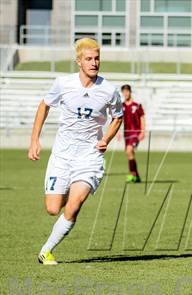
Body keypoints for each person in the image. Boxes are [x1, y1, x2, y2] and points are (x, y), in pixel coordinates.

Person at [28, 38, 123, 265]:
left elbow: (118, 117)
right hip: (62, 155)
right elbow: (44, 105)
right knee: (52, 208)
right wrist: (34, 139)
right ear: (78, 61)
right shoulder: (63, 84)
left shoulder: (109, 90)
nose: (94, 62)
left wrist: (106, 139)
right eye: (89, 59)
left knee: (75, 203)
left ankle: (46, 251)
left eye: (97, 58)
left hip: (89, 156)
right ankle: (69, 191)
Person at [121, 84, 145, 183]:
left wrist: (143, 131)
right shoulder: (122, 106)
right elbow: (119, 119)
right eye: (124, 92)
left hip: (135, 132)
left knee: (129, 150)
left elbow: (142, 118)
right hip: (126, 133)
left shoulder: (137, 105)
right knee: (130, 154)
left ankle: (132, 174)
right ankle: (136, 175)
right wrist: (118, 131)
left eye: (127, 91)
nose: (125, 93)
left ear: (130, 92)